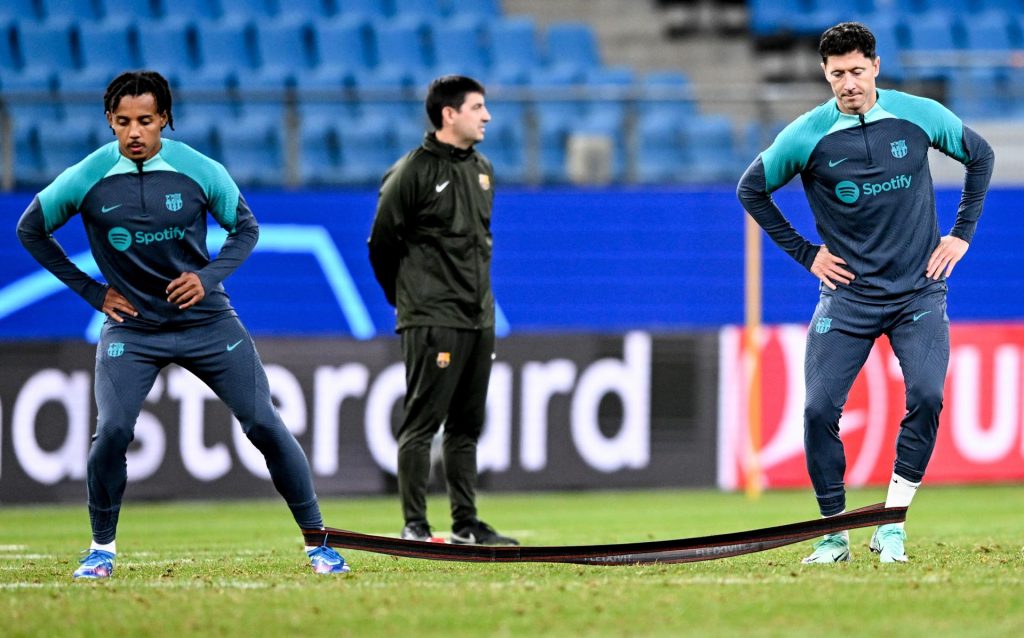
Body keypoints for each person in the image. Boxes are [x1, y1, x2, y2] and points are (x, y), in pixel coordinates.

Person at [16, 71, 349, 578]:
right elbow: (31, 229)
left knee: (263, 422)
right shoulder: (86, 176)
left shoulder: (198, 169)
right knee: (112, 431)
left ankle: (318, 543)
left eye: (145, 121)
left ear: (164, 119)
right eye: (123, 121)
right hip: (133, 329)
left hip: (207, 321)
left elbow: (246, 227)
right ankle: (100, 550)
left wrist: (208, 278)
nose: (134, 132)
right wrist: (91, 291)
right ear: (109, 120)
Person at [737, 22, 993, 564]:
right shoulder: (807, 134)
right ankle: (835, 535)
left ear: (875, 67)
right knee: (816, 410)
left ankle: (891, 524)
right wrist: (807, 254)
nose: (848, 83)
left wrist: (961, 235)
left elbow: (981, 155)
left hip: (918, 294)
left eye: (856, 70)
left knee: (926, 395)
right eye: (836, 75)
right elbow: (751, 189)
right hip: (849, 298)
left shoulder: (918, 114)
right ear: (824, 75)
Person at [368, 75, 517, 546]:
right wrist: (408, 300)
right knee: (421, 424)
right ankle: (414, 525)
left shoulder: (483, 169)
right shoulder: (411, 173)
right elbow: (381, 244)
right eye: (477, 107)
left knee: (467, 426)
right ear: (448, 114)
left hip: (479, 317)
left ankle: (466, 525)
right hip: (433, 318)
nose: (487, 116)